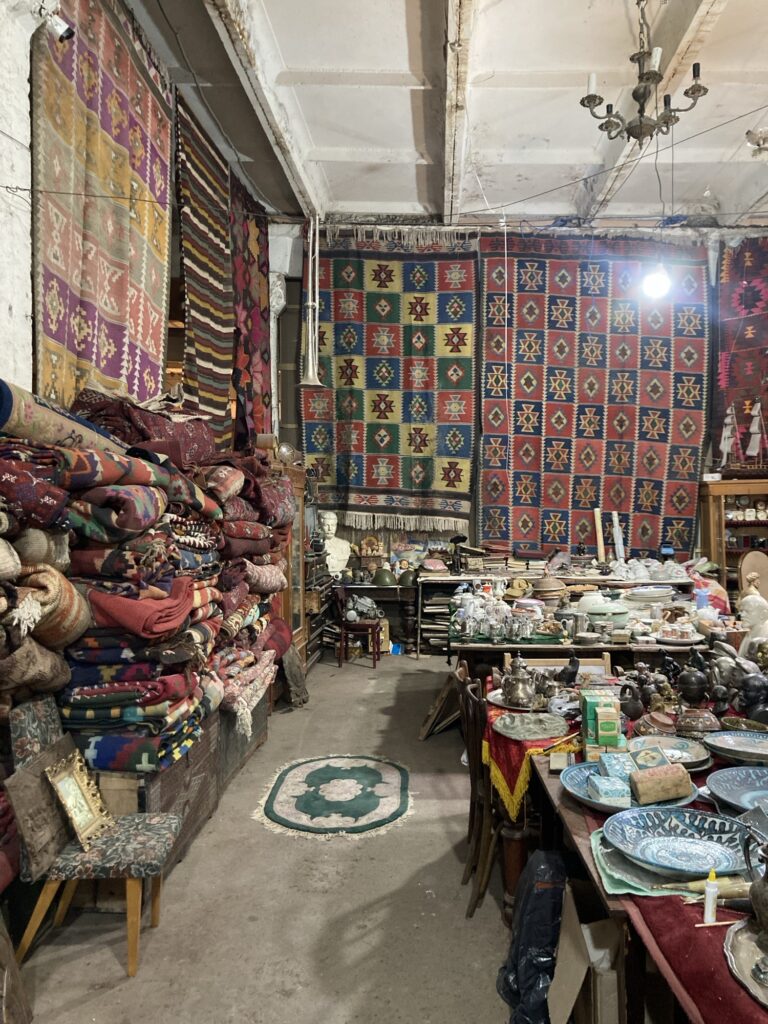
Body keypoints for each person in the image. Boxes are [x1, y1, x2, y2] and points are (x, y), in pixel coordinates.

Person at [318, 510, 351, 574]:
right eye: (326, 525)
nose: (330, 529)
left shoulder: (345, 545)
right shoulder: (316, 546)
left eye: (333, 525)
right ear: (320, 527)